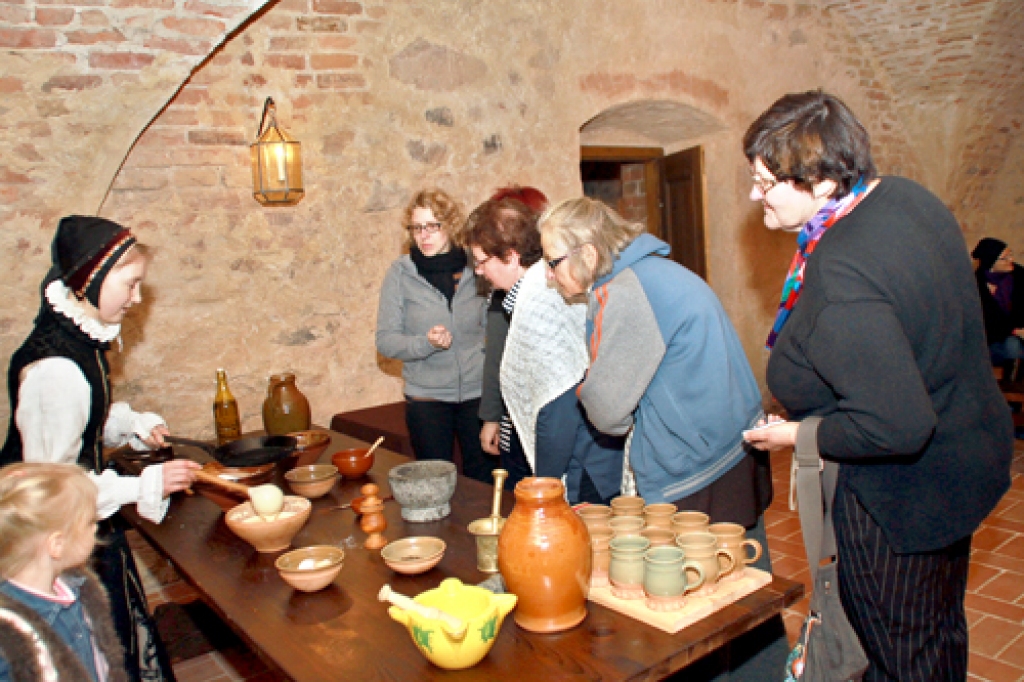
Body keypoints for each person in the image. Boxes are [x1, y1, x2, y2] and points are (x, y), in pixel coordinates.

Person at [741, 91, 1013, 682]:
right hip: (964, 457)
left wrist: (797, 434)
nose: (754, 195)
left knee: (899, 653)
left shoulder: (841, 269)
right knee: (938, 628)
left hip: (900, 497)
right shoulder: (901, 196)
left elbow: (897, 424)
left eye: (765, 183)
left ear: (816, 181)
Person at [538, 197, 784, 680]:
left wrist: (588, 386)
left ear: (588, 254)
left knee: (692, 615)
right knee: (746, 592)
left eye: (553, 262)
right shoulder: (658, 273)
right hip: (735, 449)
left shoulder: (628, 290)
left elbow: (606, 411)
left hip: (696, 467)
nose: (549, 276)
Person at [0, 215, 200, 682]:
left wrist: (130, 424)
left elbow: (86, 413)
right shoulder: (56, 370)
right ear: (92, 278)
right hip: (46, 541)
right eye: (129, 286)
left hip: (73, 523)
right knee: (85, 651)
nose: (135, 299)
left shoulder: (78, 338)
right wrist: (141, 485)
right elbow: (52, 488)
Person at [465, 191, 623, 500]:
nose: (478, 271)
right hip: (583, 450)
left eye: (482, 261)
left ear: (510, 256)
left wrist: (546, 482)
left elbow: (556, 400)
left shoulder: (539, 297)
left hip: (581, 459)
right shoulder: (537, 286)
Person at [375, 189, 493, 483]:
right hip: (427, 397)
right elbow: (385, 340)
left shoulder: (476, 268)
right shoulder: (401, 274)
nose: (423, 235)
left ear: (450, 226)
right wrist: (424, 343)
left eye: (432, 226)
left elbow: (495, 327)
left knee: (484, 479)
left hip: (477, 394)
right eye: (417, 228)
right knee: (434, 482)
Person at [0, 462, 127, 682]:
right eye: (90, 522)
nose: (96, 527)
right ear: (57, 544)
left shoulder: (78, 587)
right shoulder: (11, 637)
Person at [971, 237, 1024, 371]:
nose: (1011, 260)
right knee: (1012, 345)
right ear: (991, 262)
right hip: (994, 341)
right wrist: (1015, 331)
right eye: (1004, 258)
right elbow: (985, 324)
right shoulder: (975, 286)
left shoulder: (1020, 276)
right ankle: (1011, 386)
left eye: (1010, 255)